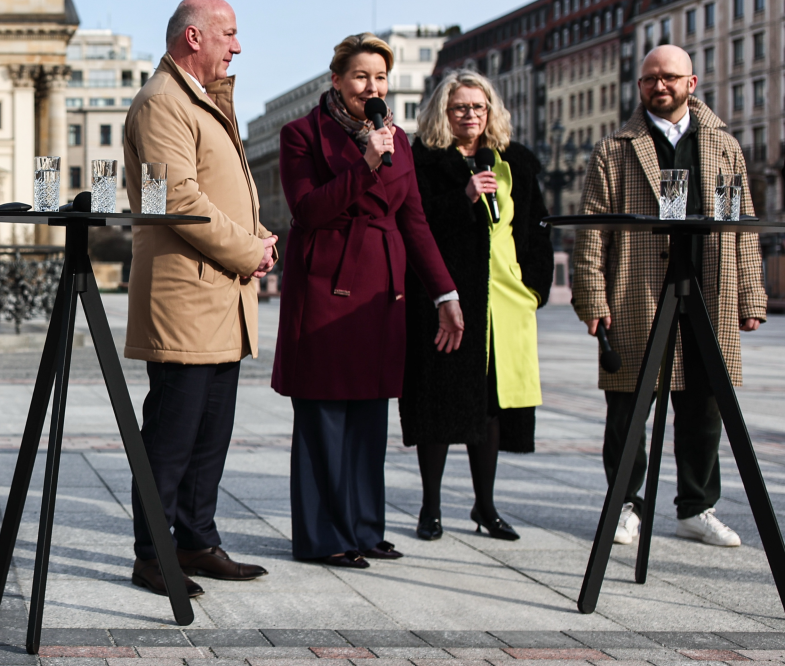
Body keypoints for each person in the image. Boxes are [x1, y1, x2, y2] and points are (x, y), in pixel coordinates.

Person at [272, 32, 464, 569]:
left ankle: (363, 527)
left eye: (380, 77)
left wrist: (445, 292)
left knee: (369, 415)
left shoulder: (396, 139)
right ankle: (322, 536)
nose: (371, 87)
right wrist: (365, 165)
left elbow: (415, 221)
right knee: (326, 414)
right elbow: (308, 210)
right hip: (326, 284)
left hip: (384, 289)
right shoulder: (301, 134)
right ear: (336, 80)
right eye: (361, 76)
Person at [572, 44, 766, 548]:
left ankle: (696, 507)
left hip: (711, 289)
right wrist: (592, 297)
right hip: (638, 289)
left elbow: (739, 227)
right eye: (650, 79)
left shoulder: (723, 146)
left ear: (692, 83)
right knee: (628, 405)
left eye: (670, 77)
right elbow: (593, 232)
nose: (660, 86)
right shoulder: (615, 149)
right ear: (639, 87)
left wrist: (751, 295)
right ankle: (625, 506)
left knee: (705, 406)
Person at [122, 0, 278, 596]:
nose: (237, 47)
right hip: (186, 300)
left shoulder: (202, 101)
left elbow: (223, 190)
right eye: (229, 34)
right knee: (171, 436)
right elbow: (178, 201)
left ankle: (195, 539)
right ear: (194, 36)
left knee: (209, 434)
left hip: (220, 298)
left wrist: (259, 237)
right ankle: (154, 554)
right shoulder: (164, 102)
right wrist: (250, 251)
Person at [401, 70, 551, 543]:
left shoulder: (514, 162)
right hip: (446, 296)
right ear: (443, 112)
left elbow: (534, 227)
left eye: (478, 107)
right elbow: (415, 222)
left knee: (490, 406)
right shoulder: (422, 159)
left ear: (491, 112)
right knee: (439, 401)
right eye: (460, 107)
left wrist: (535, 290)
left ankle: (485, 506)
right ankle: (431, 507)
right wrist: (463, 197)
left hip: (504, 297)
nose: (470, 115)